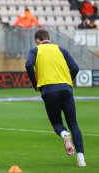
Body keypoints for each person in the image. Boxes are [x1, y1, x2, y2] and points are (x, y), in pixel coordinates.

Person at [25, 29, 86, 167]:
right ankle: (81, 159)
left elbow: (28, 65)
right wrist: (67, 80)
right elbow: (75, 67)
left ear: (37, 41)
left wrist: (35, 84)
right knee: (73, 124)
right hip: (66, 89)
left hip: (48, 90)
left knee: (57, 123)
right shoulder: (61, 49)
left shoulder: (35, 50)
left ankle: (64, 134)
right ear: (49, 38)